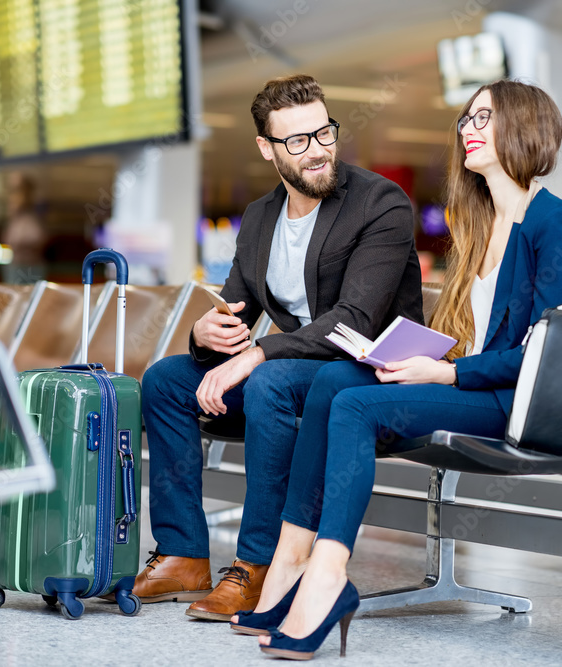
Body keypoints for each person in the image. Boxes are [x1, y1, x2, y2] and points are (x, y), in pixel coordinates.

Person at [235, 80, 562, 659]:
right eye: (466, 119)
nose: (467, 130)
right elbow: (472, 337)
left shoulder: (556, 223)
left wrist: (446, 374)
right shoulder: (476, 226)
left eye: (483, 118)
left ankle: (327, 574)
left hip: (512, 401)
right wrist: (422, 357)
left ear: (524, 128)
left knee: (353, 402)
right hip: (470, 382)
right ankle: (289, 560)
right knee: (332, 380)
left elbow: (550, 353)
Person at [132, 74, 424, 621]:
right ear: (267, 148)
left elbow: (356, 321)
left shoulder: (380, 203)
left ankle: (259, 566)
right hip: (290, 374)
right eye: (296, 141)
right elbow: (235, 309)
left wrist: (259, 353)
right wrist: (206, 334)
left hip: (365, 375)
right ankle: (183, 553)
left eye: (323, 134)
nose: (315, 151)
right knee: (166, 382)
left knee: (268, 379)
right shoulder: (260, 218)